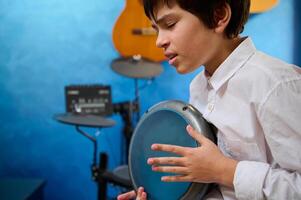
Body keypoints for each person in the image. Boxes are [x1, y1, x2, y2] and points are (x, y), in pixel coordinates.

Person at [118, 0, 301, 199]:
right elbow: (207, 184)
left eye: (170, 25)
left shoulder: (275, 84)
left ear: (219, 16)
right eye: (156, 29)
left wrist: (224, 170)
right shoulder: (198, 87)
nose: (159, 41)